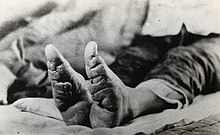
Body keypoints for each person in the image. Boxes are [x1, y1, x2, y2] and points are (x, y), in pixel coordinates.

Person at [45, 36, 220, 128]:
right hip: (160, 32)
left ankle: (130, 102)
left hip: (214, 36)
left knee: (187, 61)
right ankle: (93, 102)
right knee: (132, 58)